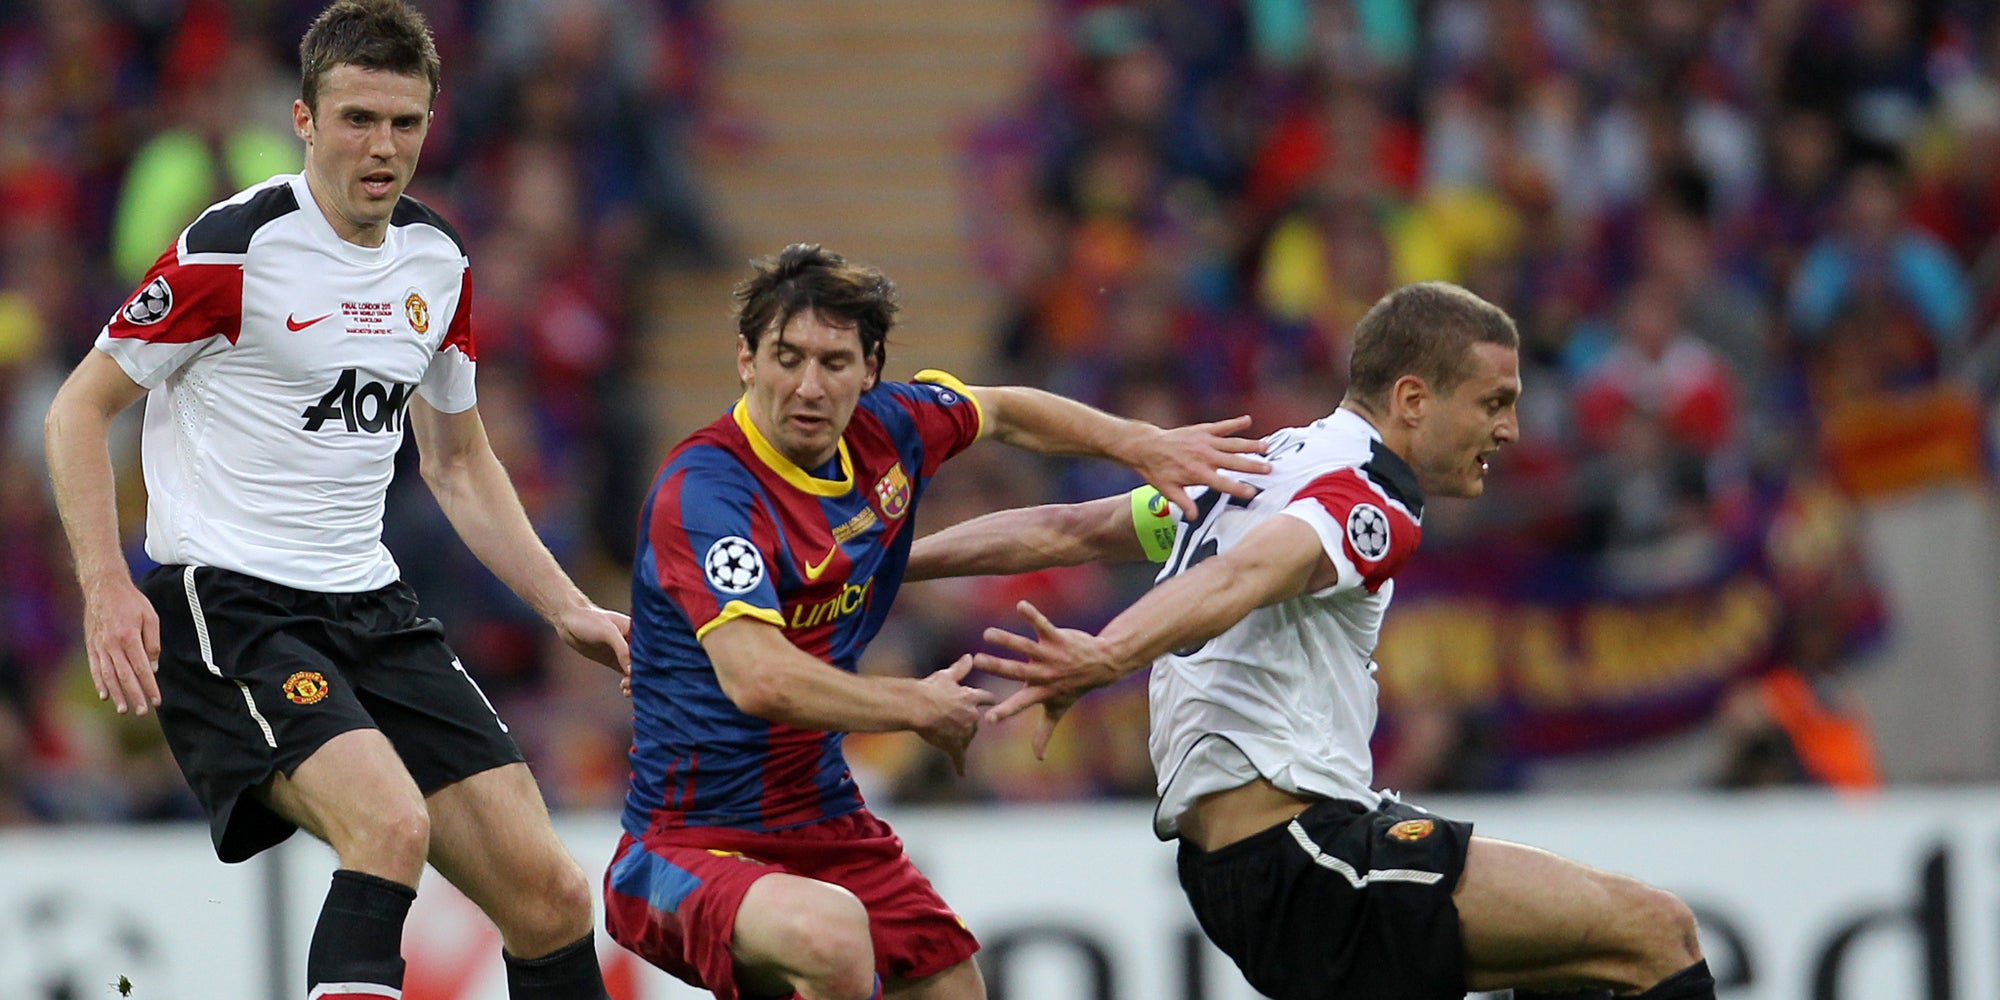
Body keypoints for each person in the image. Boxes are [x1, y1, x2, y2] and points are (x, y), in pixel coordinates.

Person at [41, 3, 627, 998]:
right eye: (357, 118)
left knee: (551, 898)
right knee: (388, 825)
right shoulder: (233, 247)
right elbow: (78, 407)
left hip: (372, 607)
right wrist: (107, 584)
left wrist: (564, 604)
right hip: (231, 604)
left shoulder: (437, 261)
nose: (381, 146)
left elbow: (458, 459)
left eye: (404, 123)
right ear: (304, 119)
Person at [906, 282, 1717, 1000]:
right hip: (1302, 854)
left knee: (1573, 971)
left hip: (1251, 866)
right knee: (1657, 934)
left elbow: (1066, 528)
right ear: (1413, 399)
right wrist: (1107, 656)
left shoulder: (1263, 462)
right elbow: (1244, 577)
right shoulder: (1371, 499)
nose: (1510, 428)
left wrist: (876, 564)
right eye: (1494, 402)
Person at [604, 242, 1269, 1000]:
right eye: (786, 358)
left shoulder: (891, 427)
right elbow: (758, 678)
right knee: (829, 938)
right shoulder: (706, 491)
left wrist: (1139, 443)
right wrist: (913, 704)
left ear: (871, 368)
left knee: (952, 985)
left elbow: (1006, 411)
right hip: (682, 844)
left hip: (818, 815)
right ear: (746, 361)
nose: (809, 386)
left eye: (834, 361)